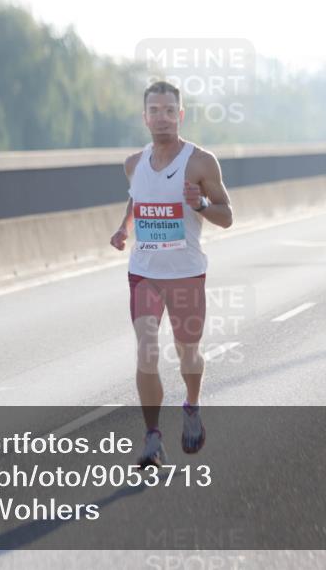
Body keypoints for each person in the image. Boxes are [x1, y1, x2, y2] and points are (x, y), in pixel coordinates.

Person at [110, 80, 233, 468]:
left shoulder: (200, 162)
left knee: (187, 352)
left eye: (169, 111)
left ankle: (192, 405)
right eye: (154, 111)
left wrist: (200, 206)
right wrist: (123, 228)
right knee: (146, 350)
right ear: (144, 117)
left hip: (186, 274)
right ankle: (152, 438)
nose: (161, 118)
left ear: (179, 116)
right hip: (143, 273)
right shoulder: (132, 163)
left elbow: (226, 215)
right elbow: (137, 197)